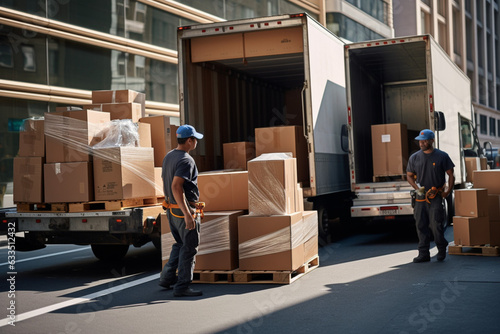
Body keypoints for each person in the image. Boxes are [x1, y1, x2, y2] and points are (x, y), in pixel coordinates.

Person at [159, 124, 204, 296]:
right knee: (189, 247)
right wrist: (188, 215)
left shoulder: (169, 156)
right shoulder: (186, 160)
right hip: (182, 210)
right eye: (195, 140)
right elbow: (176, 186)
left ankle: (166, 278)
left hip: (171, 209)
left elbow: (165, 181)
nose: (196, 143)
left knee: (180, 244)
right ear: (189, 141)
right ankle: (182, 286)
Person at [406, 129, 455, 263]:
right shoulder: (414, 157)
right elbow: (409, 176)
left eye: (425, 140)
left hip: (435, 196)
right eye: (420, 141)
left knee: (436, 224)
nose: (421, 143)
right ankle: (423, 254)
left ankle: (441, 248)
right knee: (420, 224)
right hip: (420, 197)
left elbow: (451, 175)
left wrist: (447, 192)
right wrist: (416, 188)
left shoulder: (442, 156)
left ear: (432, 140)